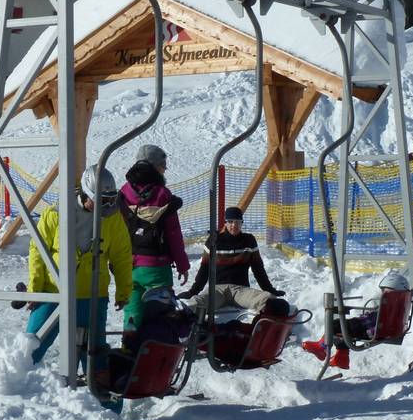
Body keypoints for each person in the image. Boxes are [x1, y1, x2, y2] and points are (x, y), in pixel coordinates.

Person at [25, 165, 133, 370]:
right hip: (54, 293)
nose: (106, 206)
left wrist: (123, 291)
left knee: (94, 356)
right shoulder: (57, 213)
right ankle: (17, 383)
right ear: (86, 194)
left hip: (92, 295)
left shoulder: (112, 218)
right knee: (31, 348)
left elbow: (122, 256)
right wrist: (35, 289)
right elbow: (38, 250)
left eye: (111, 200)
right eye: (101, 200)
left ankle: (96, 389)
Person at [118, 144, 189, 340]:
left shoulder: (124, 192)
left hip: (129, 264)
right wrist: (182, 264)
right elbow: (173, 233)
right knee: (160, 312)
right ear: (154, 166)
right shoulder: (162, 194)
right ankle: (156, 350)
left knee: (132, 310)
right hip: (156, 265)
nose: (164, 170)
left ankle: (129, 347)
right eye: (163, 165)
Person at [179, 206, 286, 316]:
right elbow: (204, 269)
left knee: (269, 301)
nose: (234, 225)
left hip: (241, 290)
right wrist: (192, 292)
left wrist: (270, 290)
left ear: (242, 223)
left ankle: (271, 321)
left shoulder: (249, 240)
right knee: (196, 303)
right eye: (230, 221)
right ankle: (185, 321)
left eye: (238, 222)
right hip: (218, 290)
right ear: (225, 223)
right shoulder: (214, 240)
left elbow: (258, 269)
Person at [301, 270, 411, 370]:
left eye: (384, 290)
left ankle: (321, 348)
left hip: (367, 329)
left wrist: (366, 325)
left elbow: (374, 322)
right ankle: (341, 358)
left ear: (393, 290)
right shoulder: (398, 306)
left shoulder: (390, 306)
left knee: (335, 325)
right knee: (342, 329)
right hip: (371, 327)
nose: (382, 293)